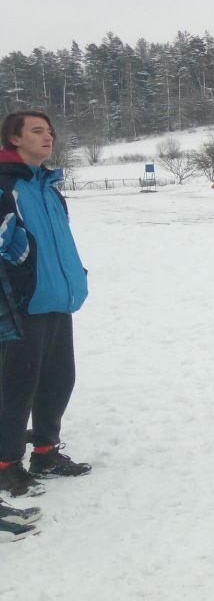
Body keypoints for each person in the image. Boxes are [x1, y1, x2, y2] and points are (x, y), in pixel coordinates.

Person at [0, 111, 92, 498]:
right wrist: (22, 276)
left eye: (50, 130)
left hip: (56, 298)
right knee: (16, 386)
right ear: (14, 138)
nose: (48, 136)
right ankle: (6, 465)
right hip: (19, 304)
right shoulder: (6, 186)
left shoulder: (48, 186)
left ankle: (45, 453)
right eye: (37, 130)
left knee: (58, 380)